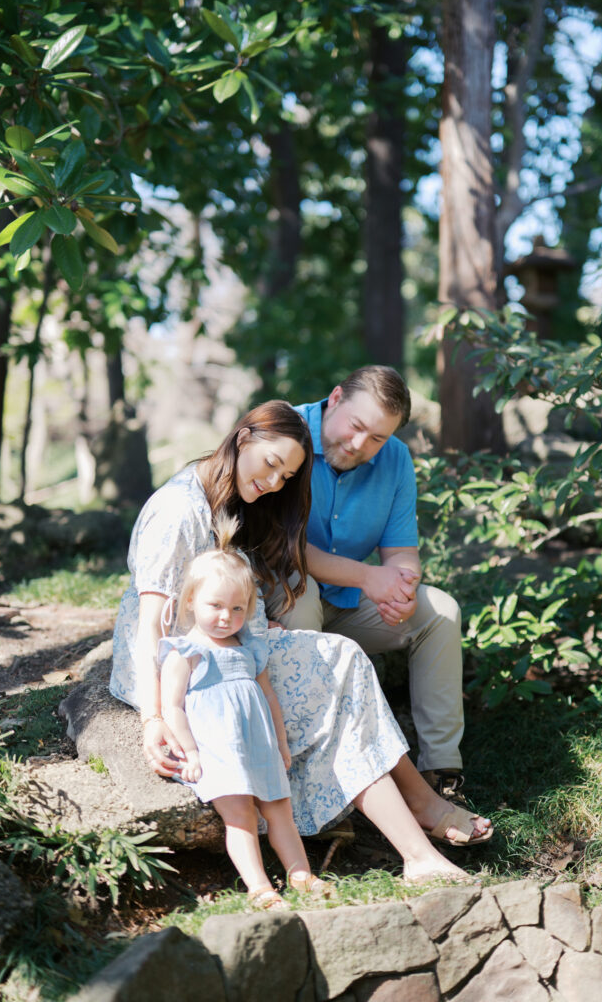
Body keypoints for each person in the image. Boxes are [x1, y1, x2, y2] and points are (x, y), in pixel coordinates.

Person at [111, 400, 491, 890]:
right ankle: (418, 827)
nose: (274, 484)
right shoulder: (178, 509)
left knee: (342, 659)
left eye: (287, 476)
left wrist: (260, 626)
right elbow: (151, 628)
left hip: (227, 641)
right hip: (182, 664)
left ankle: (418, 841)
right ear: (243, 437)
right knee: (338, 667)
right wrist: (154, 718)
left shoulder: (233, 496)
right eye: (271, 465)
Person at [275, 366, 469, 803]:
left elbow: (402, 554)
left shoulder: (396, 459)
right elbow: (283, 548)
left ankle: (442, 772)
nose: (360, 445)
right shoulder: (285, 431)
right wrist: (369, 578)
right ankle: (308, 770)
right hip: (276, 602)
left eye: (377, 437)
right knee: (300, 593)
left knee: (440, 612)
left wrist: (400, 591)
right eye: (356, 426)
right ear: (336, 397)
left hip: (344, 603)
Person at [159, 518, 332, 910]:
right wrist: (191, 752)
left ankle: (301, 874)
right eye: (215, 606)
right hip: (218, 751)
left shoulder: (250, 647)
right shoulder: (185, 651)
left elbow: (268, 696)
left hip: (260, 746)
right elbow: (172, 706)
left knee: (279, 811)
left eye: (238, 608)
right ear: (191, 602)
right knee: (240, 816)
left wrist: (282, 742)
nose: (226, 617)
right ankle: (259, 888)